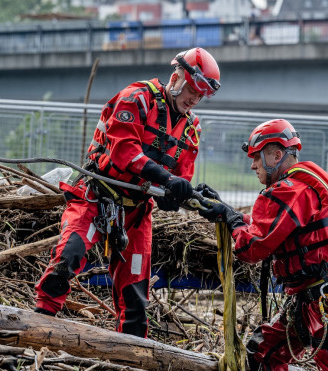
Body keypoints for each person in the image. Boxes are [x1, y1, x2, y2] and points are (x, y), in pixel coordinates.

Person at [34, 47, 221, 338]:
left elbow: (179, 178)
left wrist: (180, 195)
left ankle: (133, 353)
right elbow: (124, 152)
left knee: (135, 294)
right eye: (192, 92)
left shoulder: (191, 128)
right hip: (97, 196)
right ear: (176, 78)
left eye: (200, 96)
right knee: (67, 258)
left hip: (136, 210)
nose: (194, 100)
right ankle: (38, 326)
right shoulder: (137, 98)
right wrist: (168, 180)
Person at [196, 119, 328, 371]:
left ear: (276, 155)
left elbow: (251, 248)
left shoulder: (290, 190)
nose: (253, 165)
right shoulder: (305, 181)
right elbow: (274, 227)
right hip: (317, 299)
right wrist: (227, 211)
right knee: (264, 352)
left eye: (257, 158)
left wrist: (231, 221)